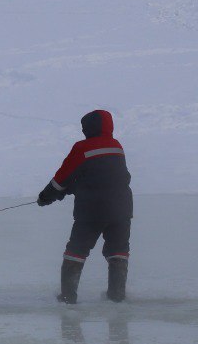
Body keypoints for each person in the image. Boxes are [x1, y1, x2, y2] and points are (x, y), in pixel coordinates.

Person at [37, 109, 132, 303]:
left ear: (89, 128)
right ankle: (117, 296)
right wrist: (72, 187)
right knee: (118, 251)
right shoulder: (116, 146)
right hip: (122, 209)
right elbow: (106, 176)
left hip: (92, 210)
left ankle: (67, 297)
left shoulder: (82, 148)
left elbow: (61, 179)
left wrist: (46, 197)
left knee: (76, 251)